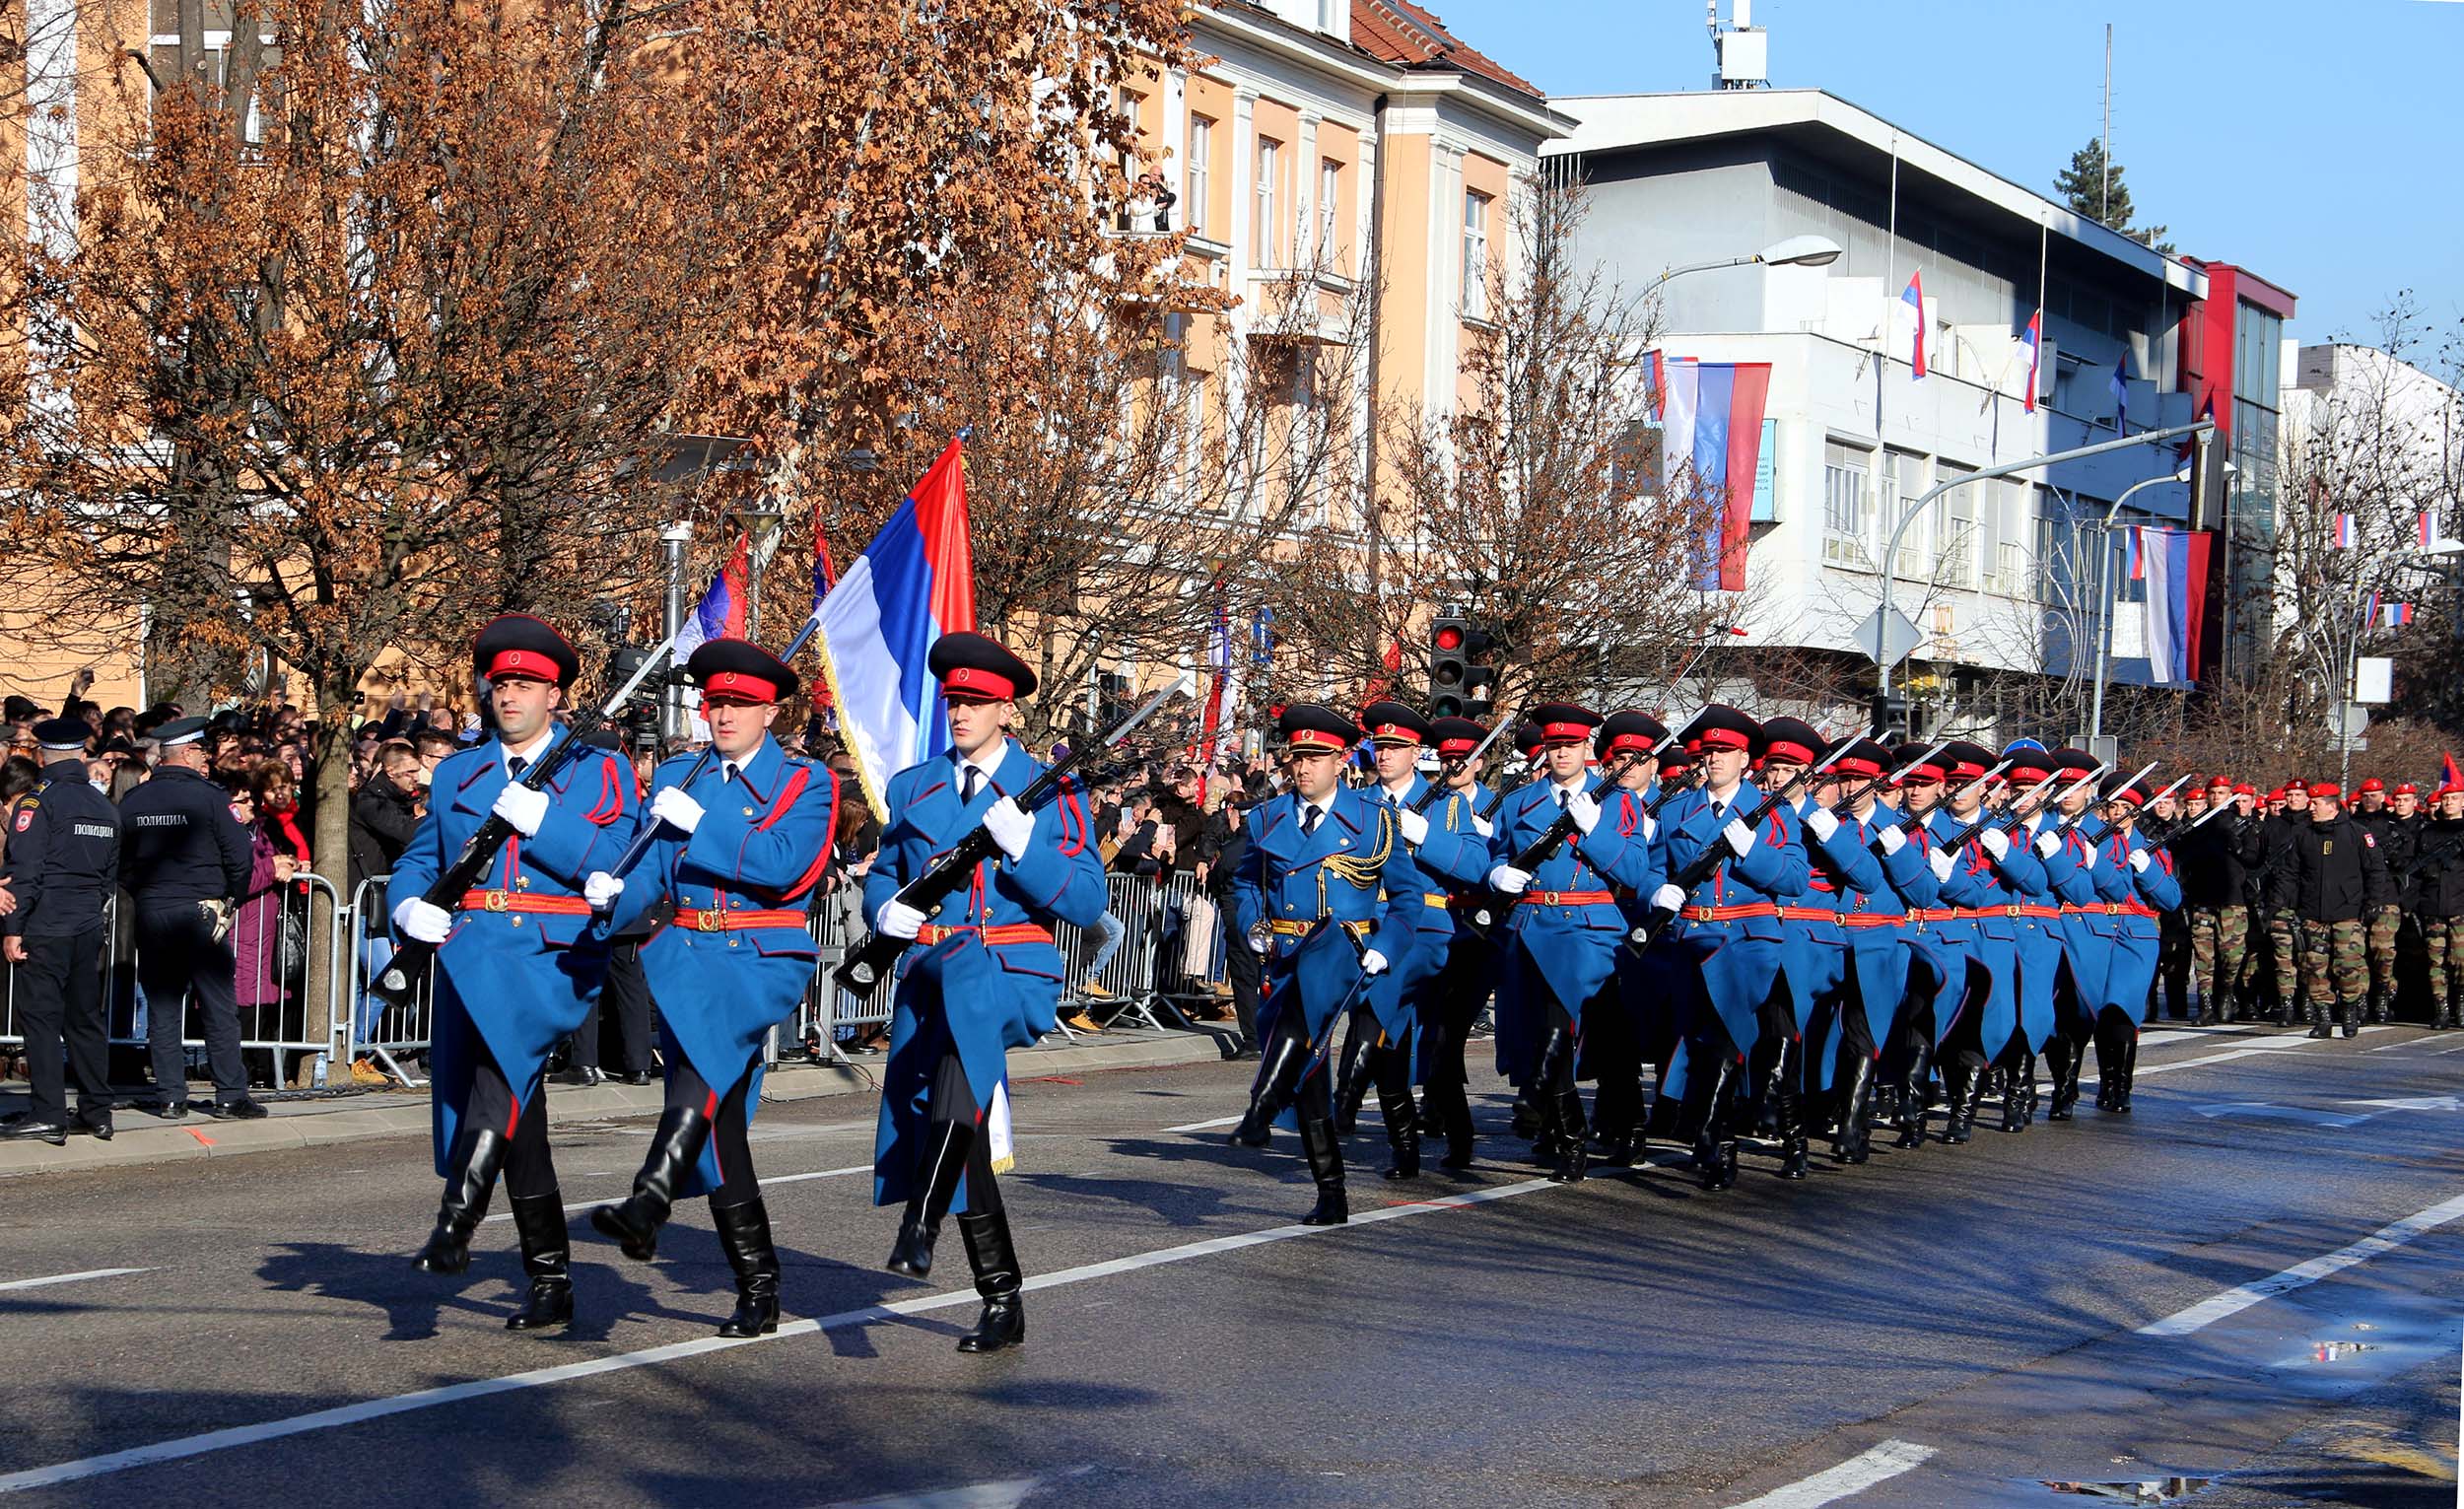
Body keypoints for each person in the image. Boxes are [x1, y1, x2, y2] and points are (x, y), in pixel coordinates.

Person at [390, 613, 641, 1333]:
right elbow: (423, 858)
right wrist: (407, 906)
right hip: (472, 955)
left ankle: (454, 1224)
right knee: (518, 1121)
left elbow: (617, 862)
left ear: (556, 695)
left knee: (502, 1081)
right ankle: (551, 1278)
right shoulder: (459, 772)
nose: (509, 696)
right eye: (500, 683)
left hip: (548, 956)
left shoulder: (600, 769)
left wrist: (547, 824)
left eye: (526, 685)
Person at [584, 639, 839, 1338]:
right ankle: (758, 1283)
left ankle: (651, 1195)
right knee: (719, 1125)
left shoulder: (804, 781)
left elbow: (790, 866)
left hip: (758, 955)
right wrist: (613, 891)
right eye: (716, 701)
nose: (723, 714)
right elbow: (648, 866)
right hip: (687, 953)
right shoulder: (680, 772)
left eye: (740, 703)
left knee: (703, 1080)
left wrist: (710, 824)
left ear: (771, 711)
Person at [867, 632, 1107, 1353]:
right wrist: (888, 907)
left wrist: (1028, 847)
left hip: (1008, 968)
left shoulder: (1053, 788)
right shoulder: (915, 785)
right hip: (934, 969)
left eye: (976, 700)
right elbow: (889, 865)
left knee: (957, 1069)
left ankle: (921, 1222)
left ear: (1008, 709)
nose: (961, 710)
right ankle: (1002, 1296)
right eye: (954, 699)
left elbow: (1088, 895)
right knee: (955, 1111)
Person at [1226, 704, 1417, 1216]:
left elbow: (1406, 898)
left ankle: (1260, 1108)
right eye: (1297, 757)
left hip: (1346, 951)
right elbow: (1244, 882)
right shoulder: (1267, 816)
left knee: (1303, 1012)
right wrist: (1252, 926)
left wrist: (1387, 947)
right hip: (1286, 952)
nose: (1304, 767)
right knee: (1310, 1076)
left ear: (1342, 762)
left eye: (1317, 757)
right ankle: (1332, 1193)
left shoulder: (1374, 818)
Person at [1483, 703, 1657, 1185]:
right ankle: (1570, 1138)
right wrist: (1497, 872)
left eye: (1571, 745)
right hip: (1532, 921)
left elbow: (1635, 873)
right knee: (1542, 1032)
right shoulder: (1520, 800)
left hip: (1588, 925)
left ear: (1587, 749)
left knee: (1566, 1023)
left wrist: (1595, 831)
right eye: (1554, 746)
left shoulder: (1620, 802)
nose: (1561, 753)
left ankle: (1538, 1097)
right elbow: (1498, 854)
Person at [1648, 706, 1810, 1189]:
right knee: (1699, 1043)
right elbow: (1654, 867)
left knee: (1729, 1039)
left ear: (1746, 760)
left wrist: (1752, 851)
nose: (1714, 758)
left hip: (1747, 942)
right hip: (1694, 937)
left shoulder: (1774, 812)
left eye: (1725, 751)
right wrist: (1657, 891)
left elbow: (1795, 878)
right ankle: (1710, 1134)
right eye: (1709, 750)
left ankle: (1722, 1142)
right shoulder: (1677, 809)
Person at [116, 716, 262, 1120]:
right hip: (201, 909)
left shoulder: (133, 801)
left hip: (152, 909)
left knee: (163, 1008)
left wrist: (145, 893)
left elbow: (120, 862)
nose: (205, 756)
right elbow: (240, 856)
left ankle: (170, 1097)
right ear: (188, 753)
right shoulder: (211, 798)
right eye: (200, 750)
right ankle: (231, 1095)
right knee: (217, 1005)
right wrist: (230, 900)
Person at [0, 720, 122, 1143]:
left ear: (42, 754)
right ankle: (97, 1111)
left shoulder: (39, 802)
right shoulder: (103, 806)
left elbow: (26, 871)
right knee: (85, 1021)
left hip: (46, 924)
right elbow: (110, 874)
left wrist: (13, 928)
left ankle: (49, 1112)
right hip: (87, 924)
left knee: (40, 1021)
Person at [2278, 781, 2389, 1043]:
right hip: (2313, 913)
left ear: (2330, 805)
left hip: (2348, 913)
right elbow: (2289, 874)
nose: (2311, 808)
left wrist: (2373, 902)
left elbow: (2375, 871)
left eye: (2315, 803)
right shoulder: (2303, 835)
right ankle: (2324, 1017)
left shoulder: (2357, 833)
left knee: (2348, 966)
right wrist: (2279, 904)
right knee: (2314, 968)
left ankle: (2349, 1010)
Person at [2413, 784, 2464, 1030]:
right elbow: (2416, 871)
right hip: (2432, 904)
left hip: (2460, 905)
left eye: (2454, 798)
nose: (2449, 802)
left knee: (2461, 960)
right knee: (2436, 961)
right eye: (2446, 798)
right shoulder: (2428, 833)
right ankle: (2441, 1009)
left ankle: (2461, 1006)